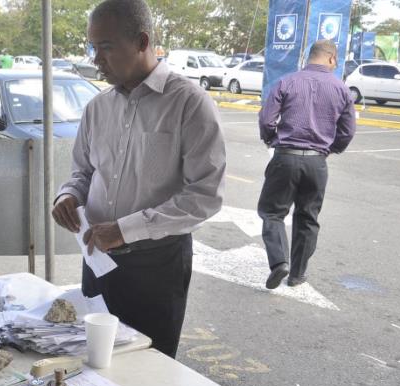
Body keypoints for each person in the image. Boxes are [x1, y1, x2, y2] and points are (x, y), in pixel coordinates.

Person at [51, 0, 225, 359]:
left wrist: (127, 229)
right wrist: (67, 195)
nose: (96, 59)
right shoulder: (97, 108)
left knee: (149, 368)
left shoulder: (189, 104)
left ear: (142, 42)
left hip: (156, 265)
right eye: (92, 47)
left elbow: (204, 195)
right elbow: (83, 171)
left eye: (106, 47)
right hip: (97, 257)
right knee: (90, 361)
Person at [257, 39, 355, 289]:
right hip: (316, 163)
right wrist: (330, 149)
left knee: (272, 212)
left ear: (309, 57)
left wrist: (271, 140)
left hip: (285, 156)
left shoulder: (287, 82)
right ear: (332, 58)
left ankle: (279, 262)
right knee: (308, 217)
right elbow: (347, 131)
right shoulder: (341, 89)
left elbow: (267, 119)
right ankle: (297, 274)